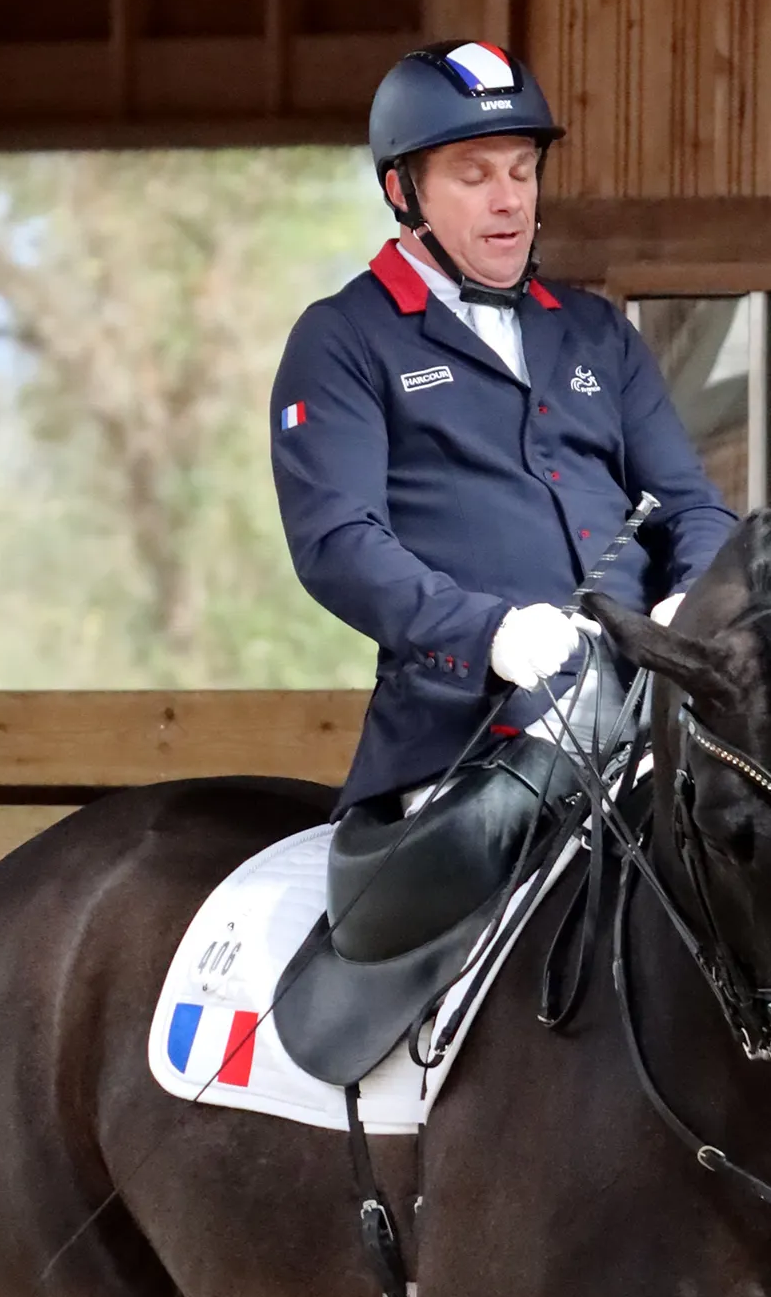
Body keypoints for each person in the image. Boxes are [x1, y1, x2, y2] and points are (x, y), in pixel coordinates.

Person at [272, 41, 737, 810]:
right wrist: (485, 633)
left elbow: (690, 504)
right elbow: (337, 542)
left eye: (521, 171)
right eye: (474, 174)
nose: (509, 199)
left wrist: (694, 593)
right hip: (469, 733)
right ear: (403, 190)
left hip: (651, 716)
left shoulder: (597, 332)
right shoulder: (341, 339)